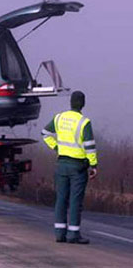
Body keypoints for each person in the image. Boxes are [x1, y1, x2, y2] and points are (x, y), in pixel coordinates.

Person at [41, 91, 98, 244]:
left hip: (61, 165)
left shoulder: (59, 118)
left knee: (61, 199)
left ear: (71, 102)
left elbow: (44, 133)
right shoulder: (84, 122)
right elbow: (90, 147)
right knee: (75, 201)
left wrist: (56, 148)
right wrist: (93, 165)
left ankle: (59, 234)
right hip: (78, 167)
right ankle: (73, 234)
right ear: (83, 103)